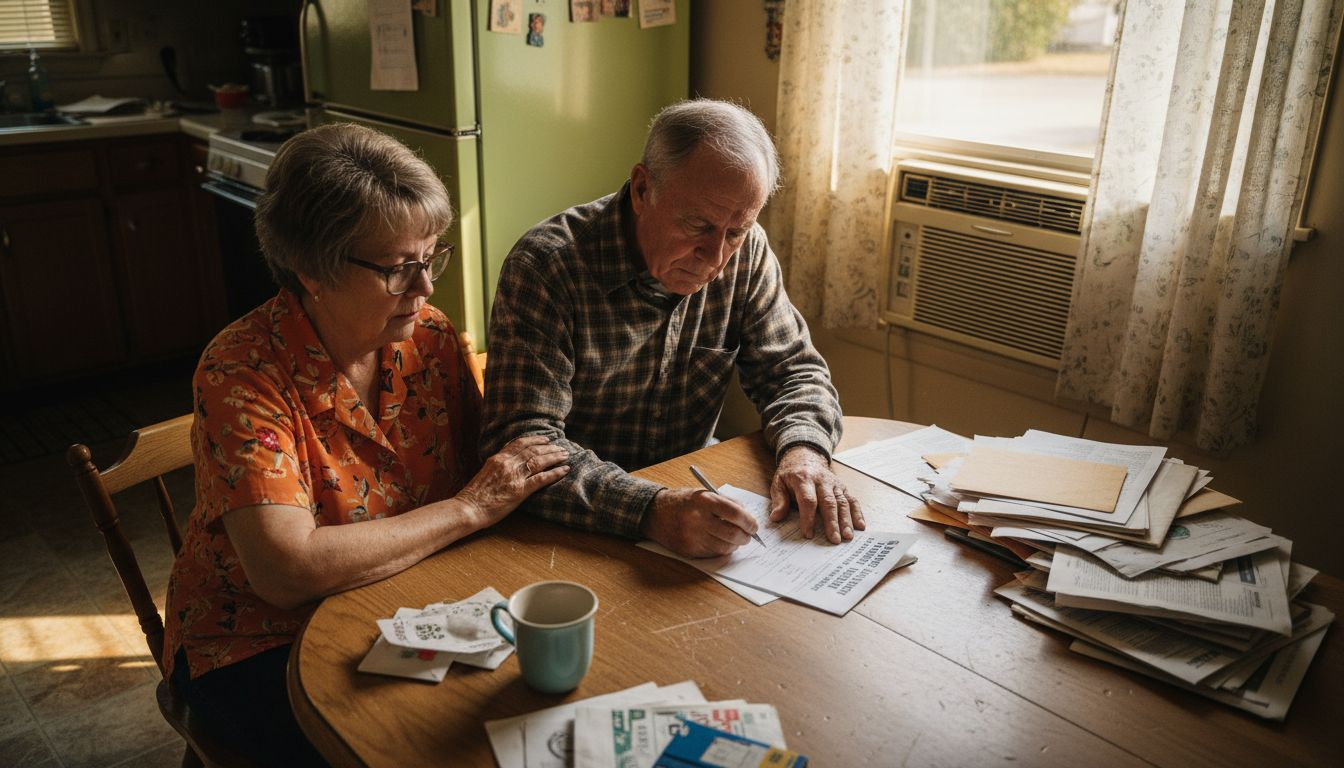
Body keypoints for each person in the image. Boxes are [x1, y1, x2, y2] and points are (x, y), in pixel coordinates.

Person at [161, 123, 568, 766]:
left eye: (432, 257)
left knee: (529, 719)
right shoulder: (241, 373)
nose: (426, 287)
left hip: (407, 601)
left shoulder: (427, 336)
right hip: (258, 640)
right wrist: (467, 509)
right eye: (399, 269)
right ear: (312, 271)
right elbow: (285, 571)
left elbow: (489, 467)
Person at [482, 99, 862, 560]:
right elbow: (525, 449)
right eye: (698, 225)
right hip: (569, 529)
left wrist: (803, 451)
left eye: (736, 231)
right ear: (643, 189)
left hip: (691, 502)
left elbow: (795, 372)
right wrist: (651, 508)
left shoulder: (747, 253)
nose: (717, 257)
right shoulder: (547, 266)